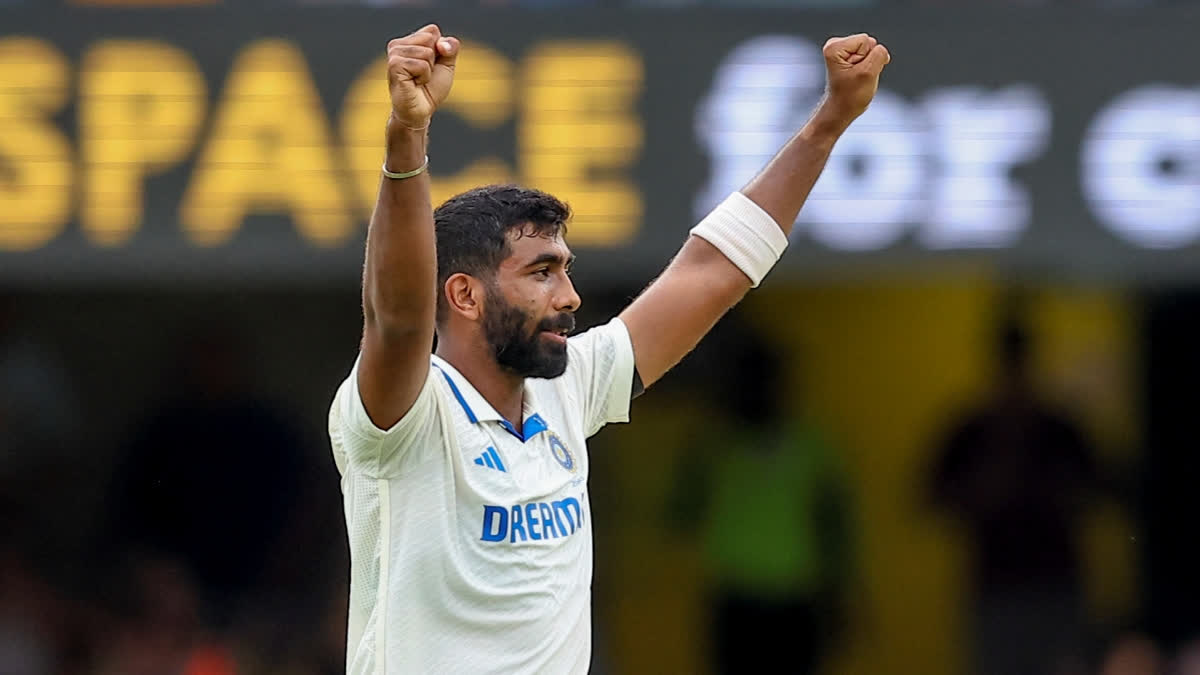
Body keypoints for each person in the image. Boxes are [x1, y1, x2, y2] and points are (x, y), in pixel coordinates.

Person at [326, 23, 890, 673]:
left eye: (565, 268)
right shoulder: (407, 415)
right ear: (463, 294)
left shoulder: (569, 385)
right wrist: (407, 134)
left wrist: (830, 121)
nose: (570, 296)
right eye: (541, 272)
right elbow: (395, 317)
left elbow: (711, 271)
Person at [928, 313, 1098, 675]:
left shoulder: (1058, 428)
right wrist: (984, 491)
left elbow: (1097, 490)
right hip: (998, 587)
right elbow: (931, 497)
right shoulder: (974, 430)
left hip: (1053, 584)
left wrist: (1050, 492)